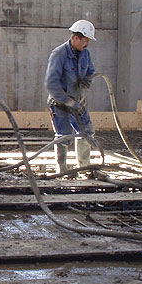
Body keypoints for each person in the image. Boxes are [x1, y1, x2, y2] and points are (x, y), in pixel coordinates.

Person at [44, 19, 97, 177]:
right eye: (85, 40)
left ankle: (84, 167)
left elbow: (90, 71)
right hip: (60, 103)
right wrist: (68, 101)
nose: (87, 44)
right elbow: (51, 83)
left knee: (86, 132)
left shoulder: (85, 53)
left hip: (78, 101)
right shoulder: (59, 54)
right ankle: (64, 171)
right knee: (64, 136)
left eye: (88, 41)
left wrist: (87, 81)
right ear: (76, 38)